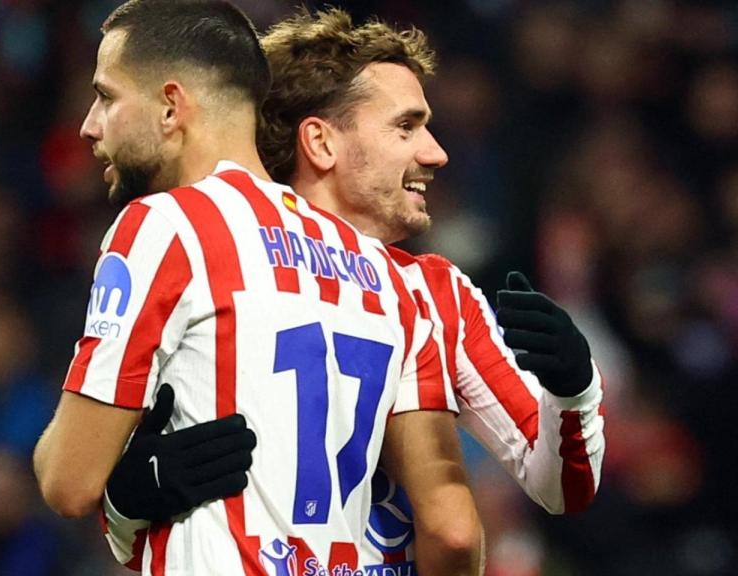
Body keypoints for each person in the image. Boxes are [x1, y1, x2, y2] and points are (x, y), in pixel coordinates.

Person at [103, 6, 604, 572]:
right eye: (405, 127)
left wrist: (570, 387)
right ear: (320, 143)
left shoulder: (204, 260)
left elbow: (138, 519)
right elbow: (470, 524)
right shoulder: (425, 296)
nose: (435, 153)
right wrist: (575, 396)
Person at [32, 2, 481, 575]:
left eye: (107, 97)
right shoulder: (382, 272)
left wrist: (123, 493)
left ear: (171, 107)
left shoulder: (168, 226)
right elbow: (451, 528)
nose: (90, 125)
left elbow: (68, 482)